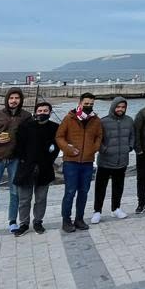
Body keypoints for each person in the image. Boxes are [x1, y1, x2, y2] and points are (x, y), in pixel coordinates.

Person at [0, 87, 31, 235]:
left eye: (17, 98)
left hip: (15, 159)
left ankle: (12, 221)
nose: (14, 101)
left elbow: (30, 135)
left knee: (15, 192)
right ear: (7, 100)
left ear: (21, 100)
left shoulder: (26, 116)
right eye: (11, 98)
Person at [56, 92, 104, 233]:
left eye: (91, 104)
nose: (88, 106)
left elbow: (99, 136)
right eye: (86, 104)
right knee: (70, 192)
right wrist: (68, 149)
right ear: (80, 103)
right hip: (71, 162)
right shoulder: (69, 118)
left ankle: (79, 219)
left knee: (84, 191)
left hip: (88, 162)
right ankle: (66, 220)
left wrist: (93, 149)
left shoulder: (96, 120)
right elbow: (59, 136)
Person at [11, 101, 60, 236]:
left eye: (45, 111)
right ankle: (24, 224)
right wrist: (24, 161)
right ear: (35, 112)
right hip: (26, 168)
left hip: (45, 168)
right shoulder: (25, 126)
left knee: (41, 198)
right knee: (24, 199)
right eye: (40, 111)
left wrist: (48, 161)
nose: (42, 113)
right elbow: (18, 146)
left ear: (50, 113)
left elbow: (56, 148)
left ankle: (38, 222)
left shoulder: (55, 127)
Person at [93, 96, 135, 223]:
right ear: (113, 107)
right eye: (118, 107)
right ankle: (97, 211)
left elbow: (132, 136)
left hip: (122, 160)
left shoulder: (129, 120)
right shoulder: (103, 121)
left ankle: (116, 209)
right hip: (105, 161)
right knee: (100, 188)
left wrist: (129, 147)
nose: (120, 109)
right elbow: (97, 139)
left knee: (118, 186)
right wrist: (104, 149)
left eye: (123, 107)